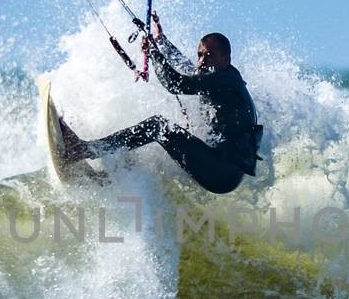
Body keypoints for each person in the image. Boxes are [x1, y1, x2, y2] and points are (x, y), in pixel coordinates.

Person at [65, 15, 262, 194]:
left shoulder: (226, 81)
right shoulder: (217, 76)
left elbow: (175, 83)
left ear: (226, 59)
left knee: (158, 126)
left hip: (223, 172)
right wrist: (161, 42)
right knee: (154, 153)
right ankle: (106, 181)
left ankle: (85, 150)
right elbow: (188, 69)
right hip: (218, 166)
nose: (202, 61)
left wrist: (152, 52)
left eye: (208, 55)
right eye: (200, 55)